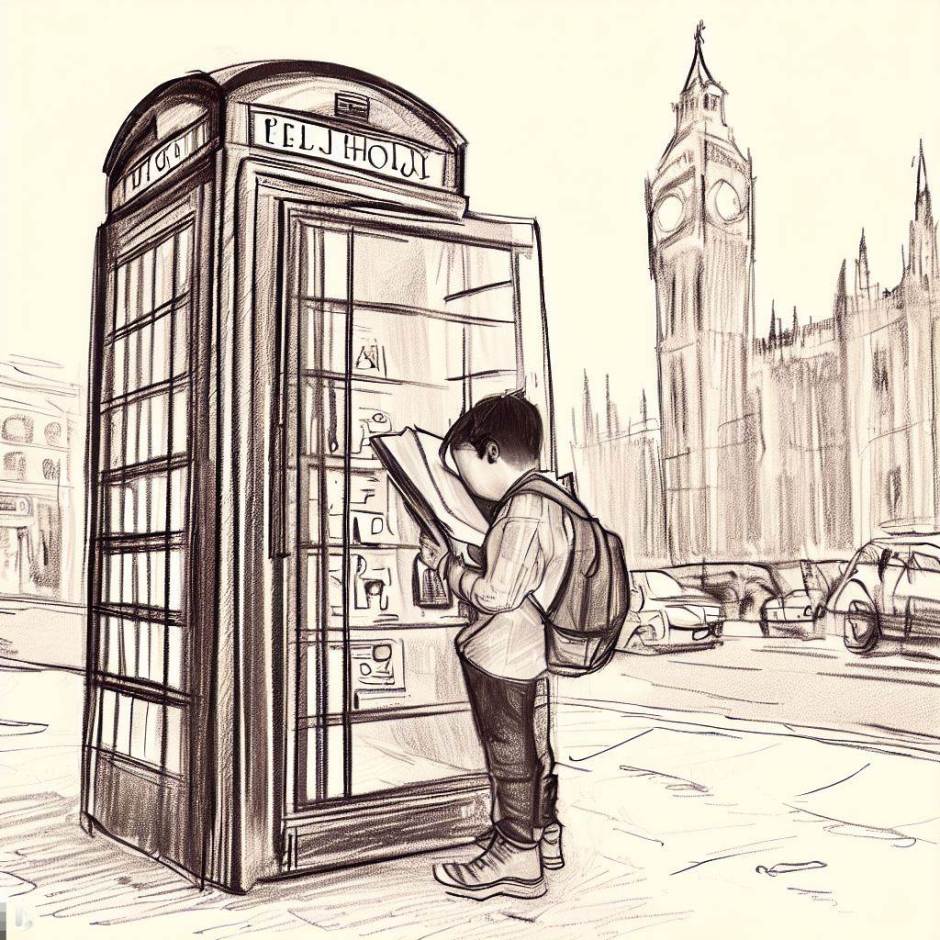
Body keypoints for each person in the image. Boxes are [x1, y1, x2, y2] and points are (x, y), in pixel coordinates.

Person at [419, 390, 573, 900]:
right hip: (534, 649)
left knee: (510, 752)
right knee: (534, 747)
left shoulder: (523, 509)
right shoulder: (551, 499)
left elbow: (497, 594)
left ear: (490, 452)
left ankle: (517, 856)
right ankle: (543, 834)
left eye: (463, 468)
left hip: (505, 652)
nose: (463, 481)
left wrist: (447, 567)